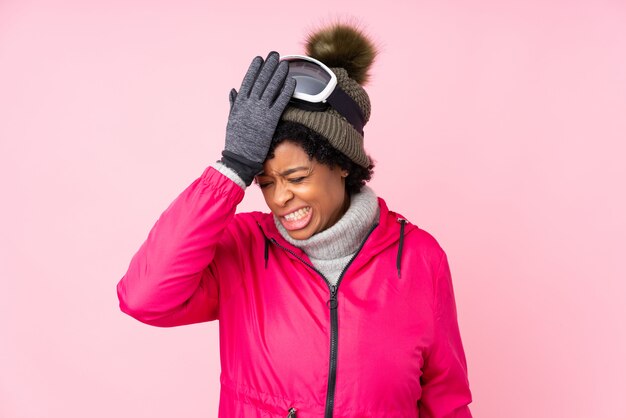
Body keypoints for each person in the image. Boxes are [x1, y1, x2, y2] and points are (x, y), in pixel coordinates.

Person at [117, 23, 473, 418]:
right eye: (265, 182)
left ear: (342, 163)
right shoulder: (245, 247)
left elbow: (446, 401)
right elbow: (143, 298)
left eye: (297, 177)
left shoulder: (420, 258)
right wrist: (232, 167)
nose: (280, 197)